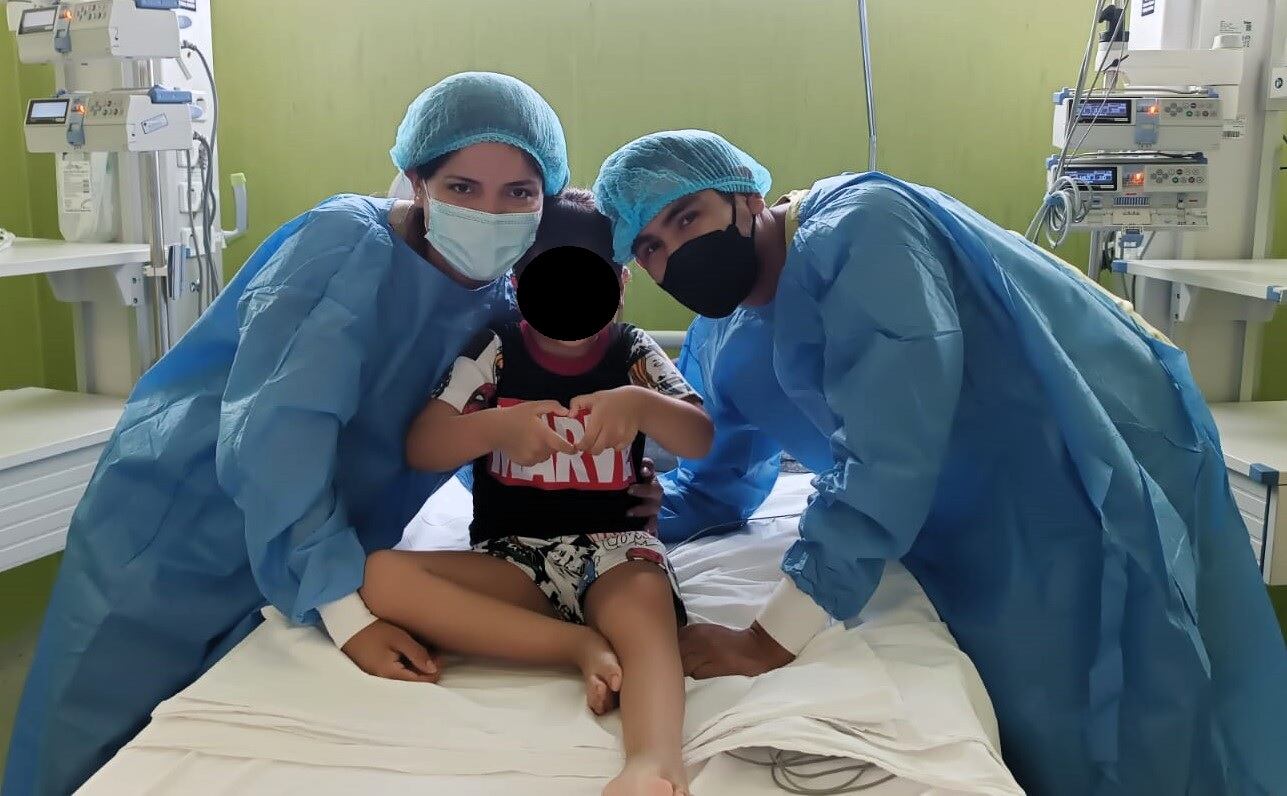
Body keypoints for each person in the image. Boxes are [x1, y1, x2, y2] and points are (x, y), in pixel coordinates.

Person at [2, 74, 666, 796]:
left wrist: (588, 493)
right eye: (462, 186)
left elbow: (461, 423)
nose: (489, 210)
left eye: (519, 193)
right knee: (87, 745)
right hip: (180, 526)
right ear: (416, 180)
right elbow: (274, 434)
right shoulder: (345, 245)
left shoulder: (500, 295)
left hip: (323, 534)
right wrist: (345, 614)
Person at [591, 130, 1287, 796]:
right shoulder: (721, 338)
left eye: (687, 218)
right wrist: (616, 515)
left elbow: (887, 453)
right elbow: (720, 479)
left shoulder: (862, 229)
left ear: (742, 196)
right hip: (951, 517)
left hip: (1077, 469)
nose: (675, 253)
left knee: (1137, 691)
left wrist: (769, 639)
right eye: (650, 246)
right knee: (1035, 723)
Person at [361, 190, 711, 796]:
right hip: (512, 558)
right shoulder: (497, 350)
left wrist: (639, 405)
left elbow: (700, 435)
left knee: (647, 619)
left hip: (616, 551)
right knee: (377, 577)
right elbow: (423, 444)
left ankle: (652, 764)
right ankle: (573, 645)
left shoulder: (633, 354)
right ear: (519, 284)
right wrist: (496, 426)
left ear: (620, 285)